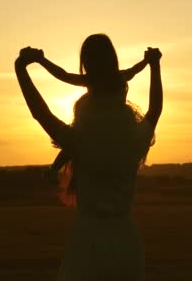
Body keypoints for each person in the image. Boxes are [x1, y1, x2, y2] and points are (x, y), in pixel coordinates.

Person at [14, 33, 162, 281]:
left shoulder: (80, 139)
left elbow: (41, 114)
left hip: (88, 242)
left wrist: (21, 69)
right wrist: (154, 65)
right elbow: (155, 110)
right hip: (127, 242)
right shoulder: (134, 138)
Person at [33, 39, 149, 182]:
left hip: (102, 125)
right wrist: (147, 61)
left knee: (72, 143)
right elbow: (136, 69)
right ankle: (54, 169)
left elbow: (63, 75)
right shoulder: (119, 77)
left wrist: (42, 60)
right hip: (114, 126)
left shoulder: (94, 79)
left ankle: (54, 169)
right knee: (73, 142)